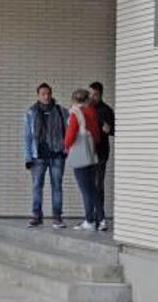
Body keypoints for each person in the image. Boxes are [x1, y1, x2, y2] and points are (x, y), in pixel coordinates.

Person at [22, 82, 67, 229]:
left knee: (57, 186)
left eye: (48, 93)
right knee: (36, 186)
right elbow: (27, 136)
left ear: (51, 94)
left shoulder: (61, 111)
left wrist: (65, 150)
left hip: (57, 155)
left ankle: (57, 217)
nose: (46, 96)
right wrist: (28, 157)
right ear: (38, 95)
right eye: (43, 94)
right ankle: (36, 215)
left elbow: (68, 132)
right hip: (38, 156)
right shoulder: (31, 112)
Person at [64, 88, 102, 231]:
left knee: (85, 189)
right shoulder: (92, 112)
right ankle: (100, 218)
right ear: (87, 99)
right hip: (91, 154)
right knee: (92, 188)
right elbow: (97, 135)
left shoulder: (76, 113)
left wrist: (66, 147)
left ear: (74, 100)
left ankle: (89, 220)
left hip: (80, 155)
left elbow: (70, 136)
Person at [89, 81, 114, 232]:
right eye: (90, 94)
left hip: (100, 153)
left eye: (95, 95)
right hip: (87, 154)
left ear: (100, 95)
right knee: (89, 186)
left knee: (98, 186)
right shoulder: (86, 108)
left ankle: (100, 218)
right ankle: (91, 217)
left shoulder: (106, 110)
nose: (92, 97)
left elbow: (113, 130)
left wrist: (108, 129)